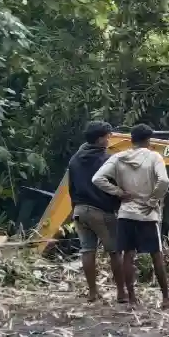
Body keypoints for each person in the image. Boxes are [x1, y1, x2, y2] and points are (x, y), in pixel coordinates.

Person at [93, 123, 169, 308]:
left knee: (127, 255)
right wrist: (152, 201)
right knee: (156, 255)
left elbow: (97, 179)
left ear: (132, 139)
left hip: (126, 213)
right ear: (149, 140)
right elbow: (164, 180)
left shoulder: (118, 157)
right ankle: (166, 298)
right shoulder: (154, 156)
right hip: (147, 215)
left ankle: (132, 299)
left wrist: (118, 192)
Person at [68, 121, 125, 303]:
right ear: (100, 139)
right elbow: (115, 184)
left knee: (87, 250)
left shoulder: (75, 159)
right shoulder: (106, 159)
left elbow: (71, 186)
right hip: (100, 210)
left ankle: (93, 292)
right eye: (107, 136)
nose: (109, 139)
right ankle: (121, 293)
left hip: (79, 210)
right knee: (115, 251)